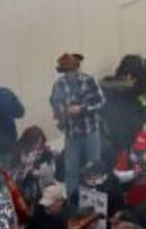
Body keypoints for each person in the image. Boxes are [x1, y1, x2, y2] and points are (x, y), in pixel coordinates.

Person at [49, 53, 106, 204]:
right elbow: (54, 103)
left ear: (77, 68)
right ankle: (73, 202)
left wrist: (82, 109)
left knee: (94, 168)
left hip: (90, 132)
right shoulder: (59, 84)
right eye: (65, 71)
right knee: (70, 170)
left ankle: (96, 201)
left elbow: (101, 102)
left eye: (71, 70)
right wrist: (63, 111)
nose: (69, 74)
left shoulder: (89, 80)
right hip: (72, 134)